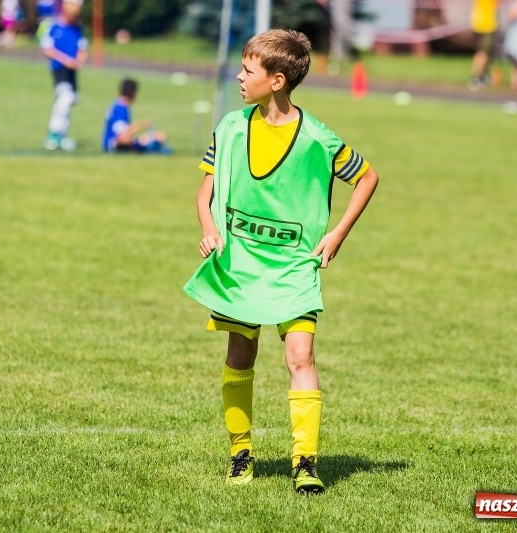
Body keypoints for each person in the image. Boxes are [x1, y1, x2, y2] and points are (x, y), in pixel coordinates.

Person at [183, 29, 379, 494]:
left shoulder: (316, 138)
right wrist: (209, 229)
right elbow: (205, 190)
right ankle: (240, 453)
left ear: (276, 80)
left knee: (301, 355)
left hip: (293, 266)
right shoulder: (231, 126)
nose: (238, 75)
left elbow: (368, 177)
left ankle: (305, 462)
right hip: (240, 265)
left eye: (247, 71)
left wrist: (337, 235)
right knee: (240, 353)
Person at [41, 0, 87, 151]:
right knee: (65, 99)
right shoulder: (54, 26)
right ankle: (53, 135)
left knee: (70, 100)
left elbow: (82, 49)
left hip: (72, 72)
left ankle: (62, 136)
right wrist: (66, 60)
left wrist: (79, 61)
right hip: (60, 70)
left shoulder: (77, 29)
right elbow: (47, 49)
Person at [101, 78, 171, 154]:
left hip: (111, 144)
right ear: (134, 93)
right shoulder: (121, 109)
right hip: (114, 146)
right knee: (159, 137)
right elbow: (121, 137)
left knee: (158, 136)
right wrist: (140, 126)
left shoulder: (117, 104)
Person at [469, 0, 500, 89]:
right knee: (483, 53)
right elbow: (497, 5)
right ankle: (477, 77)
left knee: (482, 53)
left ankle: (484, 76)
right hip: (487, 25)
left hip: (476, 23)